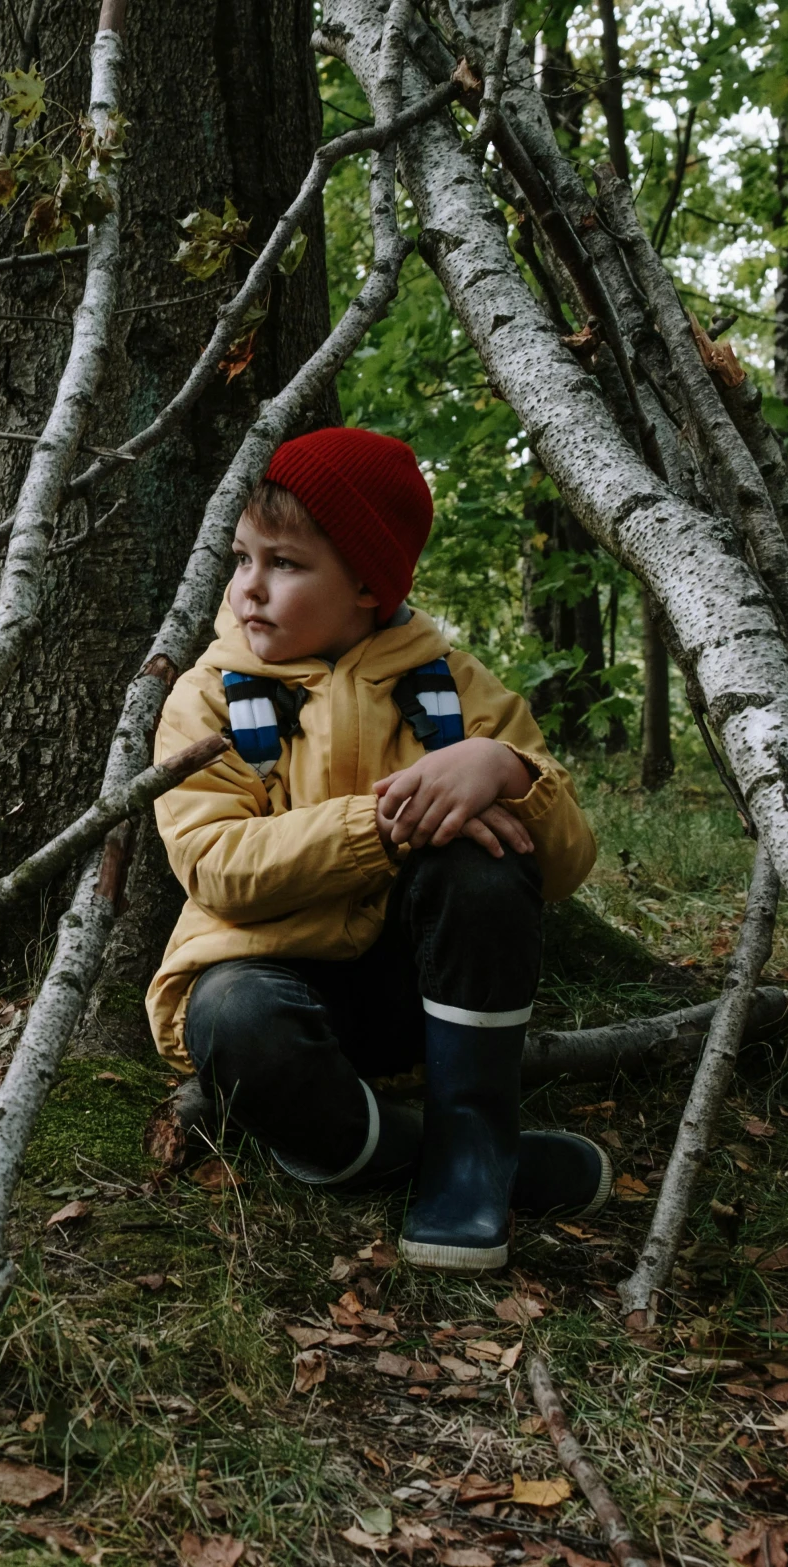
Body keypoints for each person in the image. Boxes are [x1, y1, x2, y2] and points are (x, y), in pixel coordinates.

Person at [146, 426, 603, 1272]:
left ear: (367, 581)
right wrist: (385, 825)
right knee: (234, 1020)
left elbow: (567, 863)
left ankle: (472, 1141)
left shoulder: (452, 686)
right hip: (266, 983)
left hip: (413, 995)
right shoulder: (208, 697)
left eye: (284, 564)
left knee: (484, 860)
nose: (250, 588)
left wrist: (505, 769)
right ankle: (426, 1153)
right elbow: (215, 863)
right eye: (243, 557)